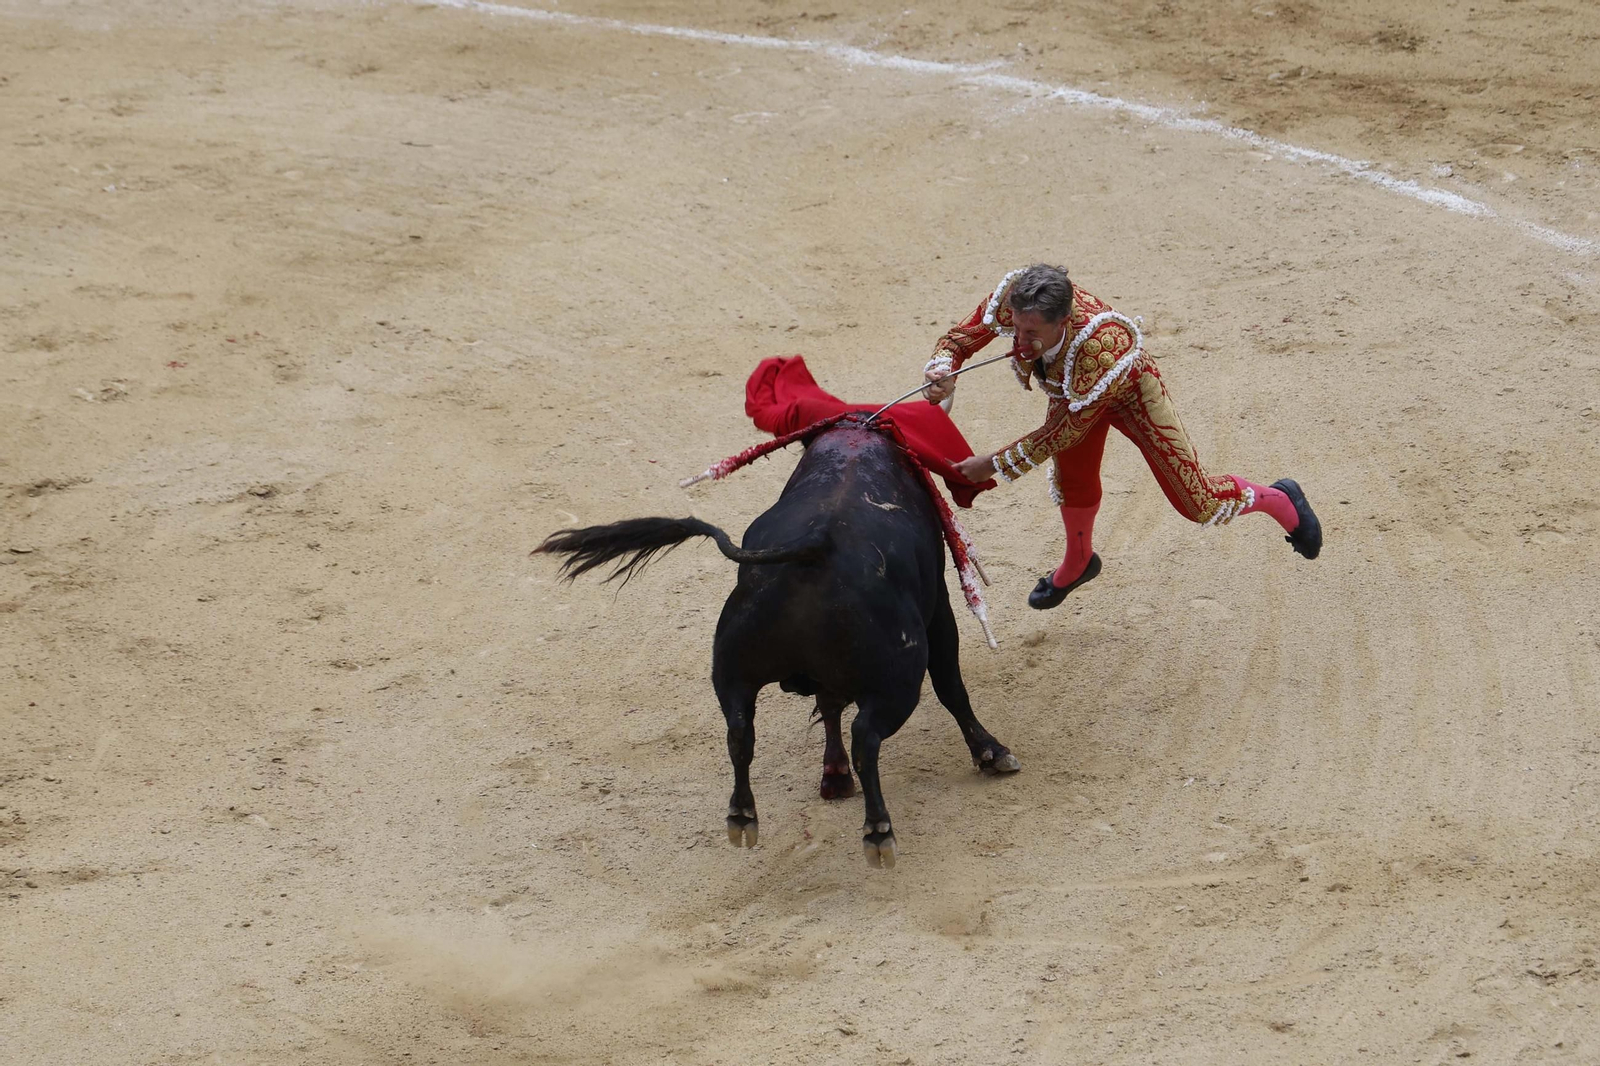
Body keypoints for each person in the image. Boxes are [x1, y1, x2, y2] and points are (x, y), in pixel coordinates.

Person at [924, 263, 1321, 610]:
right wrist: (942, 372)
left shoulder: (1101, 346)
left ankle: (1281, 499)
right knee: (1073, 484)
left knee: (1197, 502)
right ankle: (1078, 562)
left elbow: (1062, 432)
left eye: (1032, 333)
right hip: (1071, 394)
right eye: (1016, 326)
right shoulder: (1015, 300)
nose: (1020, 341)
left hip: (1131, 395)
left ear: (1063, 320)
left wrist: (992, 464)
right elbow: (959, 340)